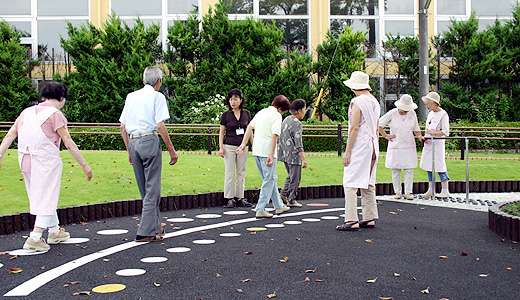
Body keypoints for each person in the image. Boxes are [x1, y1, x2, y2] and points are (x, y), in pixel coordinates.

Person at [0, 81, 93, 252]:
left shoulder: (26, 113)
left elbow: (11, 134)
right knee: (48, 195)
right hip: (45, 160)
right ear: (61, 98)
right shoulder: (55, 114)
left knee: (41, 195)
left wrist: (0, 155)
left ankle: (54, 230)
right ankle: (35, 237)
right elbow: (68, 142)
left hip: (25, 159)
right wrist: (84, 165)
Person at [120, 66, 178, 242]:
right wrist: (171, 148)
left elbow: (122, 126)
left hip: (134, 142)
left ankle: (156, 227)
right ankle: (145, 231)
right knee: (153, 188)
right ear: (159, 82)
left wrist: (129, 149)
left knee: (145, 189)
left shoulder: (131, 96)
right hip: (149, 140)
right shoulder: (157, 96)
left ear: (143, 80)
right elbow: (160, 125)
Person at [336, 71, 380, 231]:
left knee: (350, 181)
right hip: (373, 144)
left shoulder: (357, 102)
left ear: (355, 86)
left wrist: (347, 151)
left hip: (361, 145)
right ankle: (369, 217)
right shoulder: (374, 101)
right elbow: (376, 126)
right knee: (368, 181)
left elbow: (354, 127)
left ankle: (351, 219)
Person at [236, 95, 291, 218]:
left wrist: (243, 144)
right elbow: (274, 135)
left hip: (257, 150)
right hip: (267, 152)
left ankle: (278, 205)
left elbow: (249, 127)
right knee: (268, 180)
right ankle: (260, 208)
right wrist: (271, 154)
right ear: (281, 108)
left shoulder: (261, 112)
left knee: (271, 179)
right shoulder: (276, 115)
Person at [378, 94, 422, 200]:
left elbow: (416, 128)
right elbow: (379, 125)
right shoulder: (392, 113)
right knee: (396, 169)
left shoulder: (412, 114)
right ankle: (397, 192)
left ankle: (408, 192)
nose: (405, 111)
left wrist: (420, 137)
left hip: (409, 145)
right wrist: (385, 135)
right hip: (396, 145)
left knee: (409, 169)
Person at [218, 88, 253, 208]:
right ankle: (229, 198)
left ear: (241, 100)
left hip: (243, 147)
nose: (233, 102)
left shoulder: (246, 114)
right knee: (229, 172)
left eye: (236, 99)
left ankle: (240, 197)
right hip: (229, 146)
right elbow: (222, 132)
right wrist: (221, 147)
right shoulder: (226, 115)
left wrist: (253, 145)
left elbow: (249, 131)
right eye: (231, 99)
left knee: (241, 172)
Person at [419, 92, 451, 198]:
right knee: (429, 165)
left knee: (440, 165)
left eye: (428, 104)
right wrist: (426, 137)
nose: (427, 106)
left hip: (438, 144)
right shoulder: (431, 113)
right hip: (429, 143)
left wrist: (434, 133)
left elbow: (446, 131)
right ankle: (431, 189)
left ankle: (445, 189)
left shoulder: (443, 115)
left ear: (435, 104)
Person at [278, 99, 308, 208]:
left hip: (284, 153)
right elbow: (298, 142)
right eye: (304, 110)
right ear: (299, 111)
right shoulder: (297, 123)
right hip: (294, 155)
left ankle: (283, 194)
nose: (305, 112)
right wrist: (304, 159)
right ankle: (291, 199)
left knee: (290, 176)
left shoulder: (286, 119)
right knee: (295, 178)